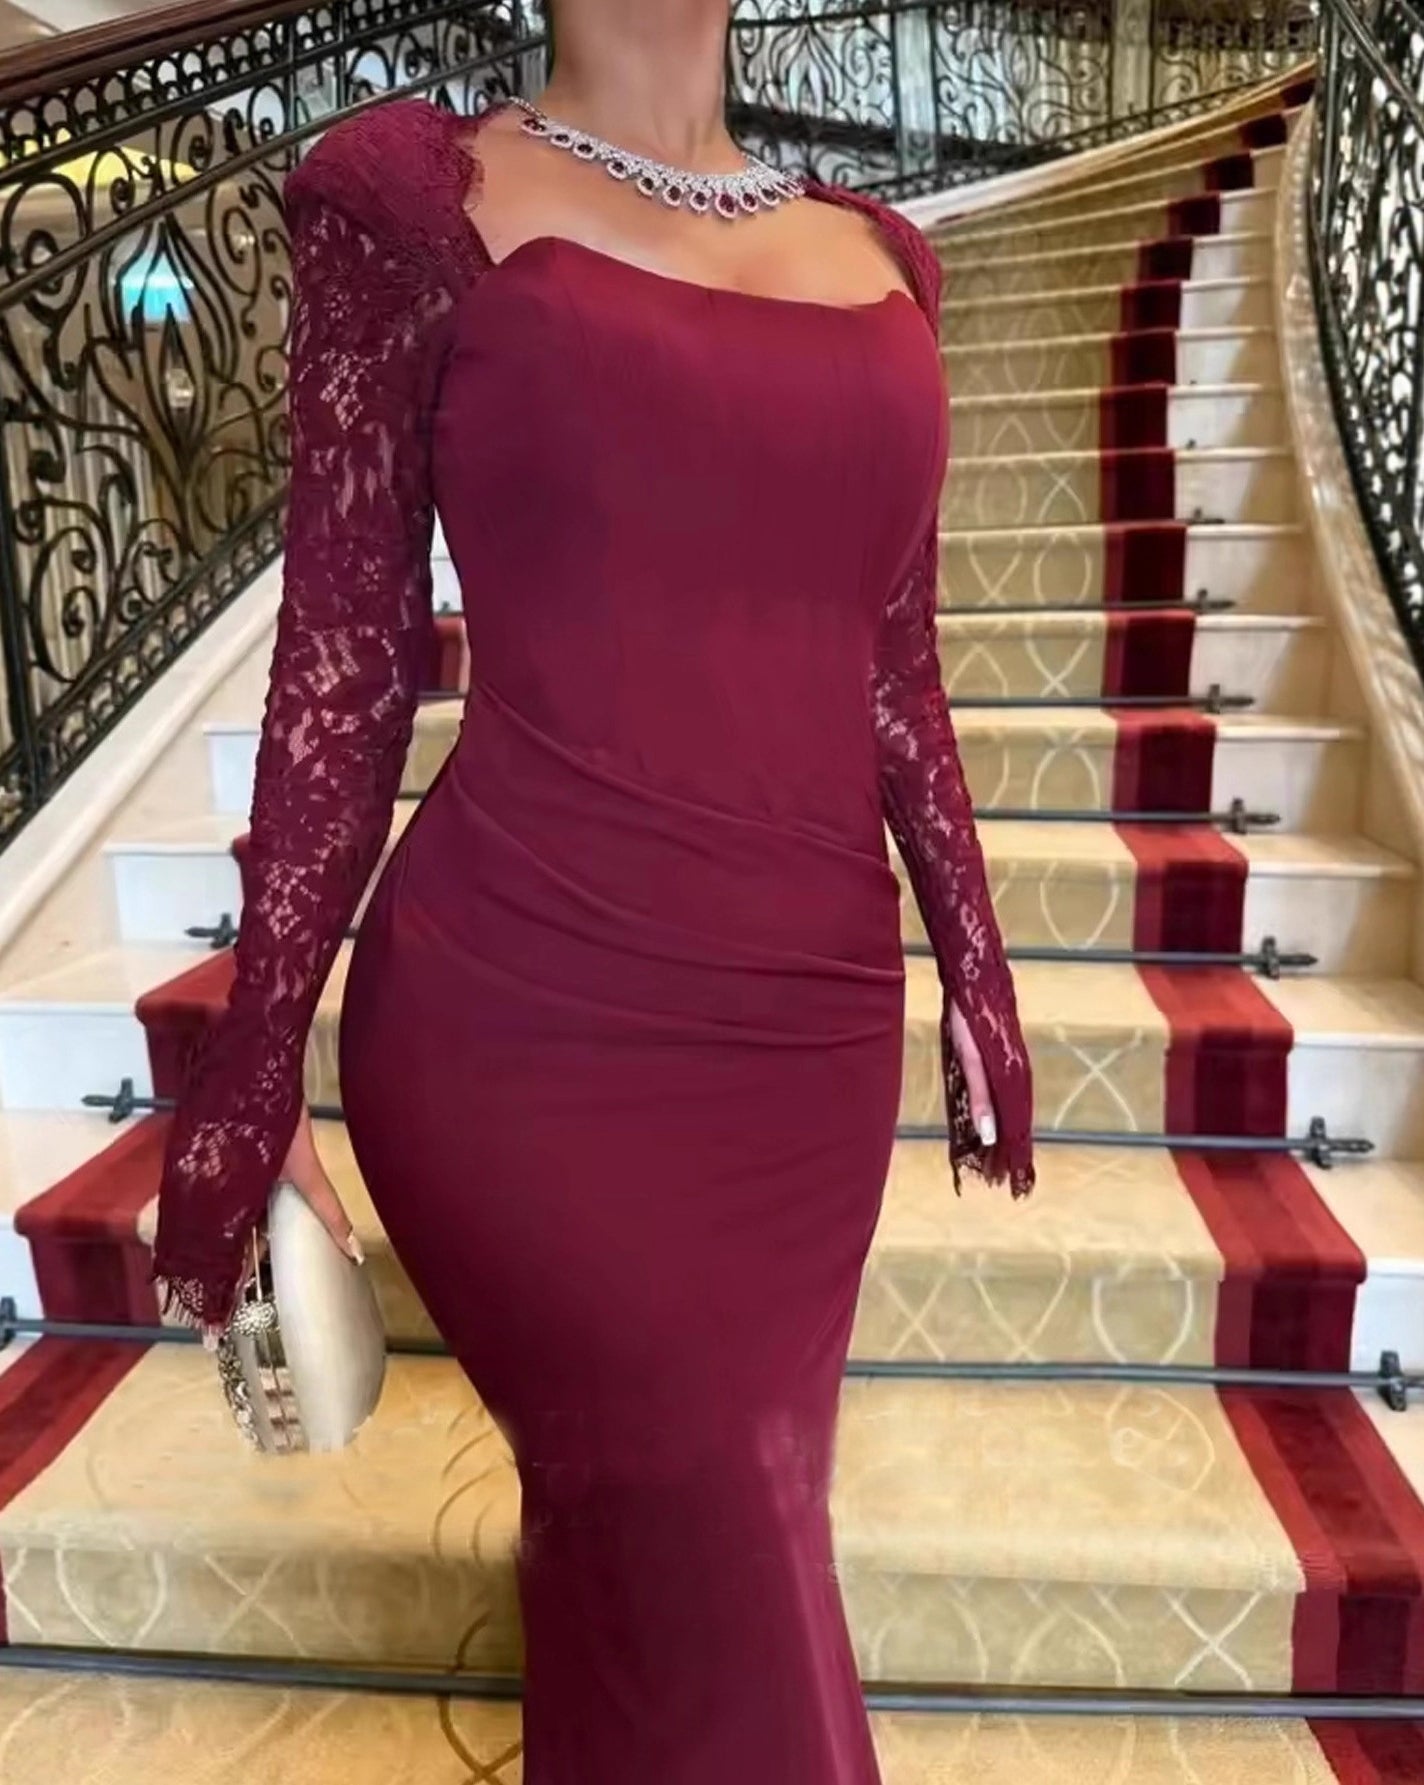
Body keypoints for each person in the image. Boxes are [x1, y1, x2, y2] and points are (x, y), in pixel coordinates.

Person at [150, 0, 1035, 1776]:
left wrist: (977, 962)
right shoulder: (413, 198)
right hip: (527, 1016)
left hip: (807, 1041)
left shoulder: (888, 260)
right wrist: (256, 1067)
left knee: (692, 1549)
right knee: (720, 1530)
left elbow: (891, 664)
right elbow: (349, 655)